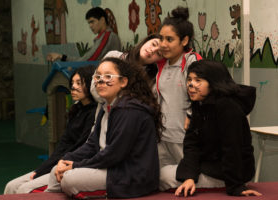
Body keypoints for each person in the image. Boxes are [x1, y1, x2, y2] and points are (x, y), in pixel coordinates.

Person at [45, 57, 163, 198]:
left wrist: (75, 165)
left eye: (108, 76)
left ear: (123, 82)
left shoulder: (129, 110)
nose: (101, 81)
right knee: (56, 170)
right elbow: (92, 145)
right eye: (98, 76)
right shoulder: (106, 106)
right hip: (110, 167)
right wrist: (66, 159)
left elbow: (113, 154)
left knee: (69, 179)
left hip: (130, 176)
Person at [168, 60, 261, 197]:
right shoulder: (201, 105)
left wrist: (236, 187)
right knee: (165, 173)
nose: (191, 85)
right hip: (210, 166)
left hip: (230, 174)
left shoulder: (227, 107)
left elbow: (232, 149)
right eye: (189, 80)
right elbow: (192, 144)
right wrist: (189, 177)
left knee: (164, 176)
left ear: (213, 83)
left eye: (198, 80)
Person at [4, 65, 97, 194]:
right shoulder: (77, 110)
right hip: (56, 164)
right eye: (72, 83)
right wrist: (41, 169)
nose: (73, 87)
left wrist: (44, 170)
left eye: (79, 83)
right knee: (11, 186)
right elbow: (63, 145)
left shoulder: (95, 113)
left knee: (24, 190)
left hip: (71, 167)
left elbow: (79, 148)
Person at [156, 6, 202, 189]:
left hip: (184, 139)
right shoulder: (162, 65)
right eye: (161, 38)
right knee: (162, 184)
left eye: (169, 39)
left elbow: (201, 96)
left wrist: (191, 115)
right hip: (163, 137)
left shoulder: (191, 61)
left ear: (184, 40)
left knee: (187, 182)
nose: (163, 44)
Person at [46, 7, 121, 62]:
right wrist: (61, 56)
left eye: (92, 22)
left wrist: (65, 59)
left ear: (102, 20)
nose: (90, 26)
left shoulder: (107, 36)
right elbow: (85, 59)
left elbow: (88, 60)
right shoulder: (103, 37)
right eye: (89, 23)